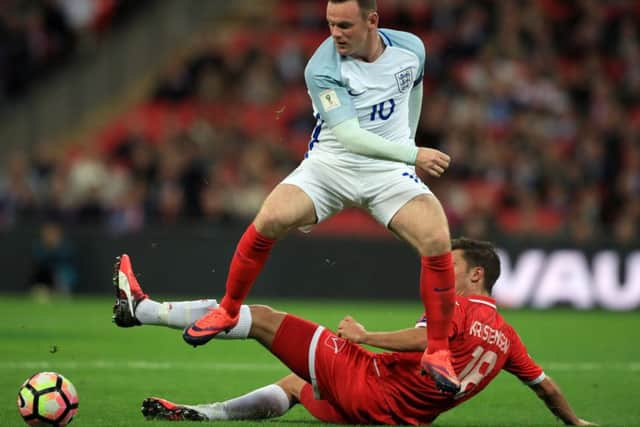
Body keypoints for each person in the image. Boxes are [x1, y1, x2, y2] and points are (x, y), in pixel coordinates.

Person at [173, 0, 458, 392]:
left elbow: (415, 89)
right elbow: (349, 136)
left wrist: (406, 144)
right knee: (270, 218)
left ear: (372, 21)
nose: (335, 33)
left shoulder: (412, 48)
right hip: (331, 167)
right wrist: (413, 152)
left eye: (344, 25)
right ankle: (228, 309)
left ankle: (438, 351)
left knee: (437, 236)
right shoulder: (322, 68)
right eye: (330, 25)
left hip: (388, 172)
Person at [112, 238, 595, 426]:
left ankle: (143, 309)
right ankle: (204, 414)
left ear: (476, 277)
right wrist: (575, 423)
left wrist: (364, 336)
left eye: (453, 265)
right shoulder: (507, 337)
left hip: (368, 381)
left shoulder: (457, 305)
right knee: (296, 386)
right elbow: (545, 386)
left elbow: (429, 340)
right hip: (397, 418)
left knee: (260, 318)